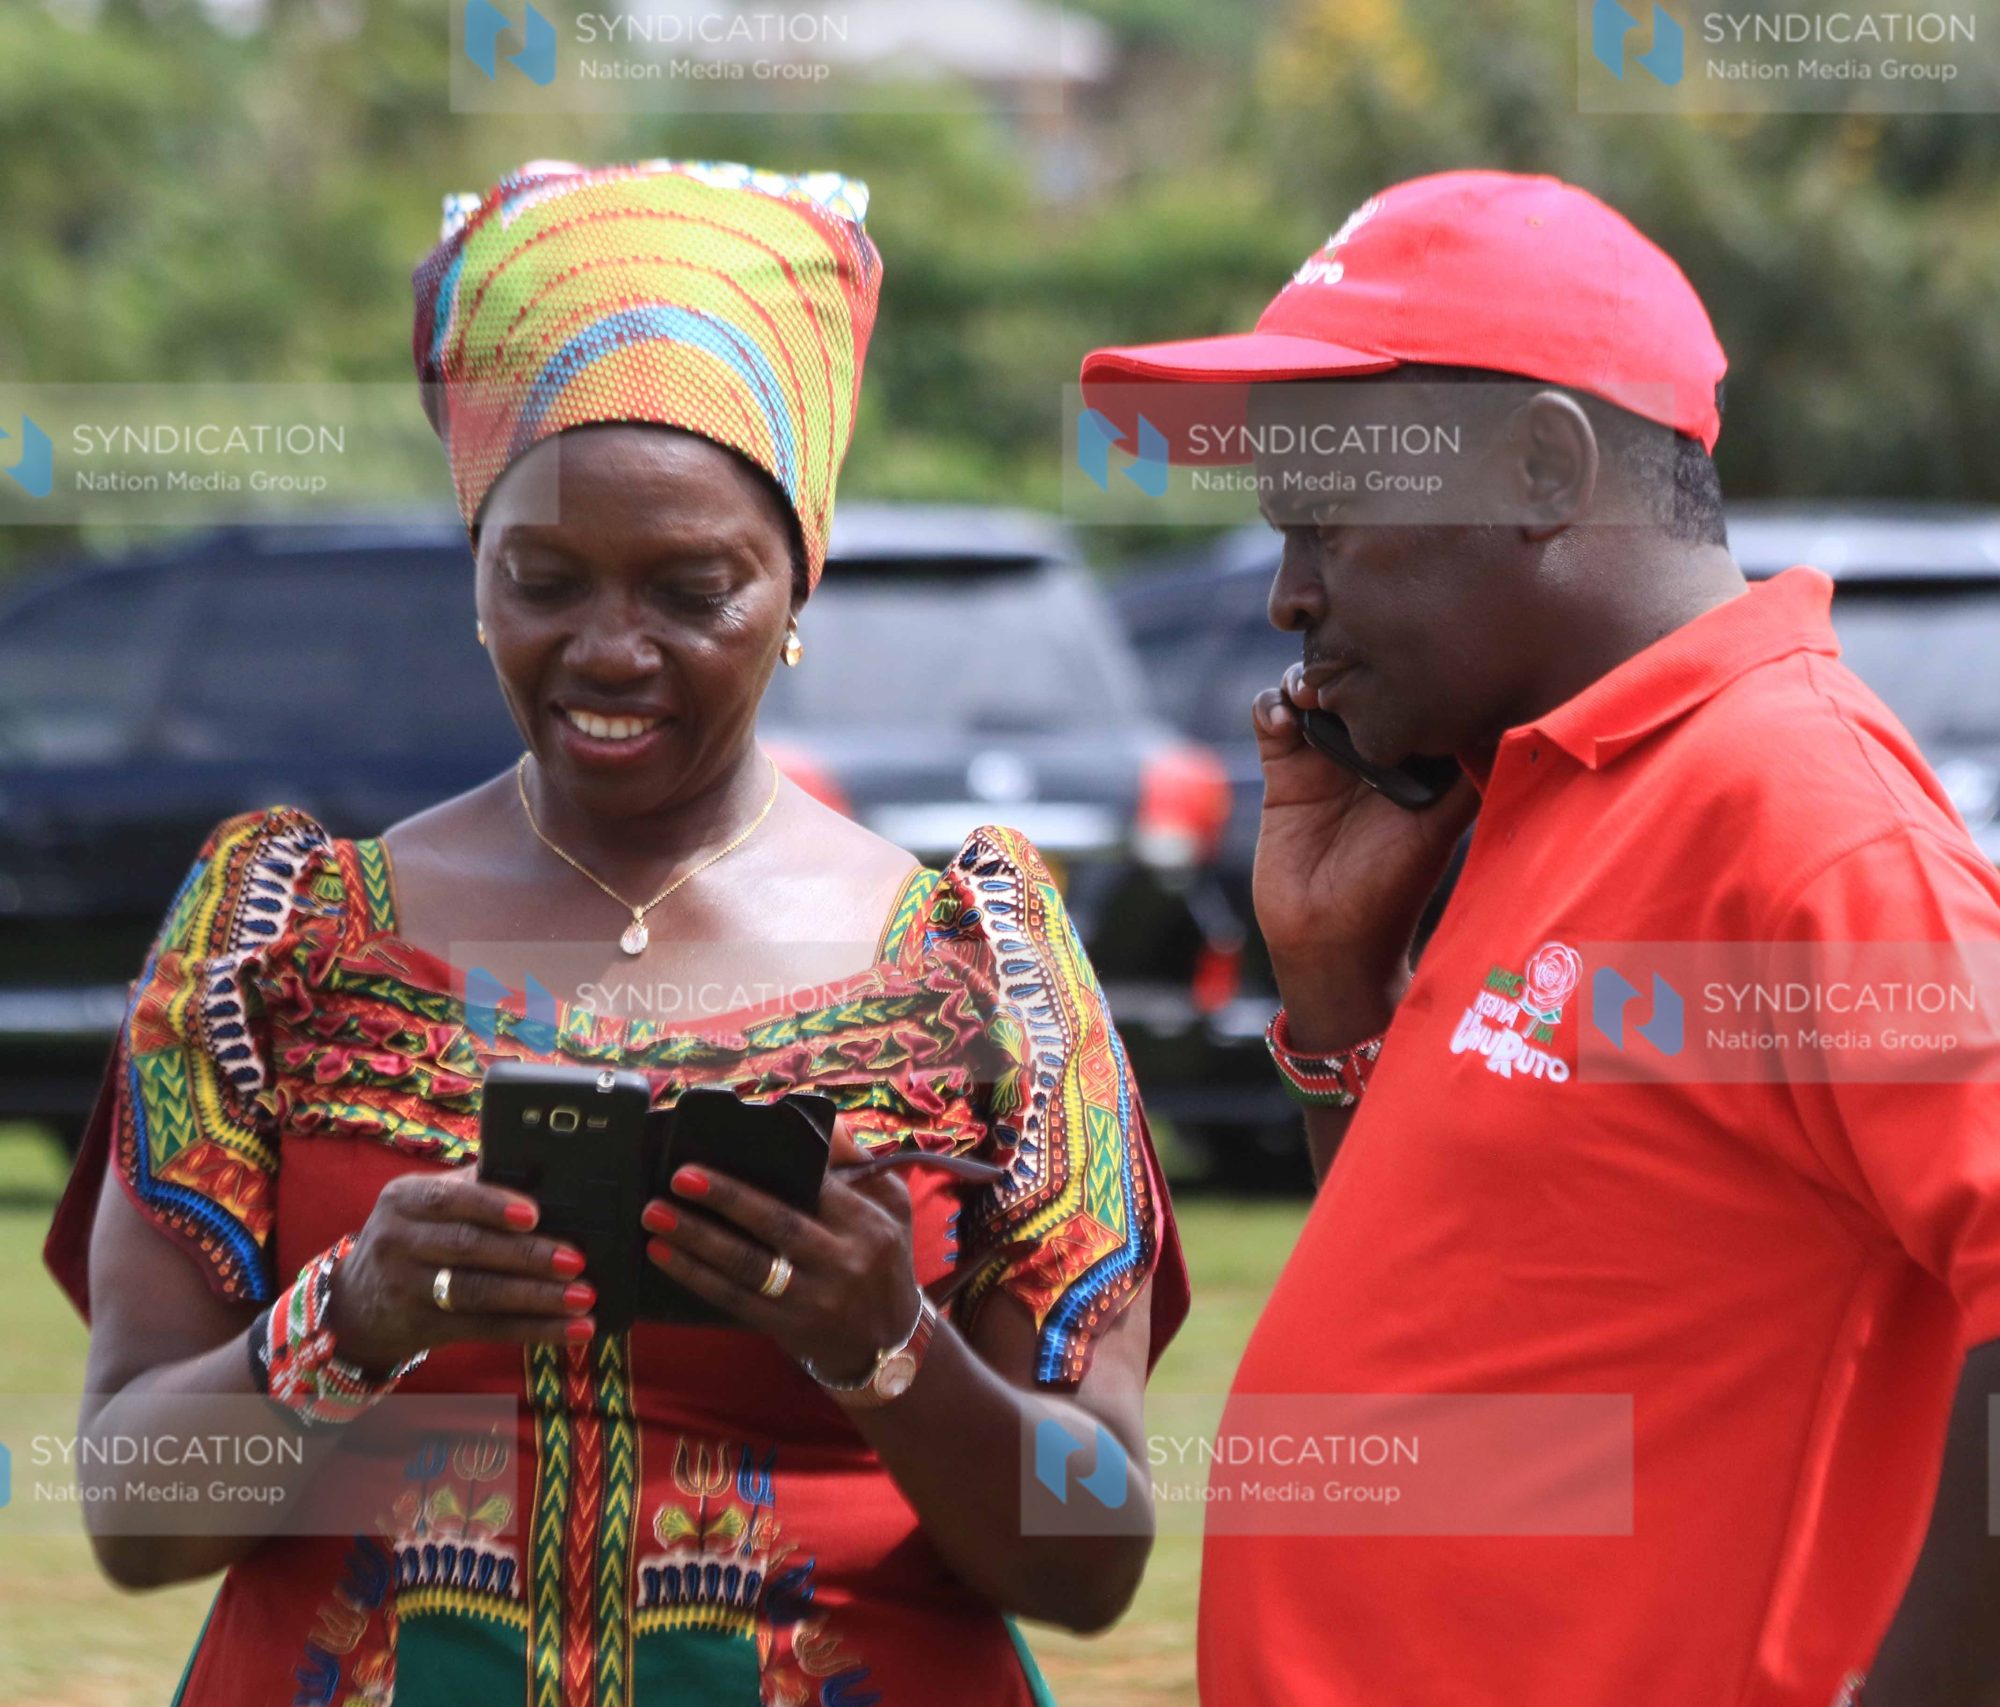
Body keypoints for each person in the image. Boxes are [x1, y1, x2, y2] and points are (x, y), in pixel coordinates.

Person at [44, 159, 1186, 1707]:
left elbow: (1093, 1554)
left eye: (692, 588)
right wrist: (346, 1322)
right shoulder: (276, 943)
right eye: (546, 580)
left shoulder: (976, 968)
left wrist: (886, 1345)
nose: (610, 649)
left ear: (798, 582)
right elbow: (130, 1514)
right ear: (476, 577)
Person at [1080, 169, 2000, 1707]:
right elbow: (1497, 1331)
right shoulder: (1554, 781)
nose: (1288, 596)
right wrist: (1342, 993)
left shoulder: (1790, 797)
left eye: (1328, 523)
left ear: (1544, 465)